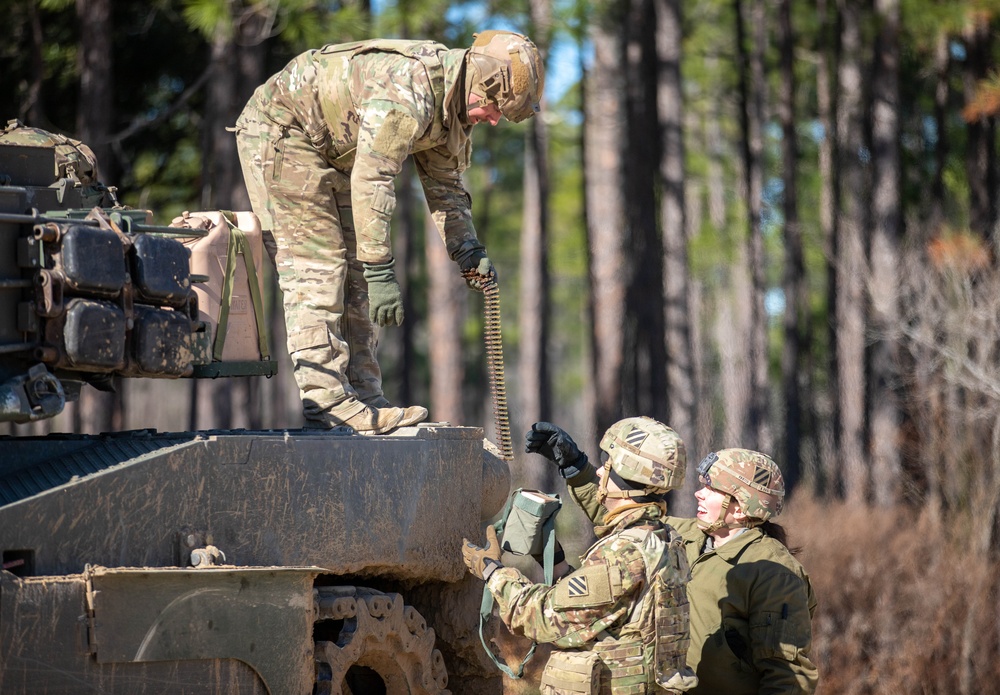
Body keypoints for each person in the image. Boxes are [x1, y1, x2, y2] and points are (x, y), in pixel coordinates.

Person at [233, 31, 543, 434]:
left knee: (357, 277)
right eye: (493, 106)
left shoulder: (452, 109)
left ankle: (363, 396)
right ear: (479, 80)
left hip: (333, 151)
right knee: (319, 268)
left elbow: (446, 188)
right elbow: (373, 179)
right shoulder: (409, 90)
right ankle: (327, 403)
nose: (494, 118)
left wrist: (467, 249)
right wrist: (381, 267)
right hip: (281, 133)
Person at [461, 418, 698, 694]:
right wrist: (558, 561)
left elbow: (541, 616)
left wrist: (492, 571)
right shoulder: (662, 537)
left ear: (622, 476)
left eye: (606, 466)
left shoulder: (623, 555)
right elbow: (611, 607)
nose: (599, 474)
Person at [665, 448, 819, 694]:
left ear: (739, 509)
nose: (698, 494)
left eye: (711, 489)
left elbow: (787, 677)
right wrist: (580, 469)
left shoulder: (775, 574)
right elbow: (624, 518)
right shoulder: (686, 535)